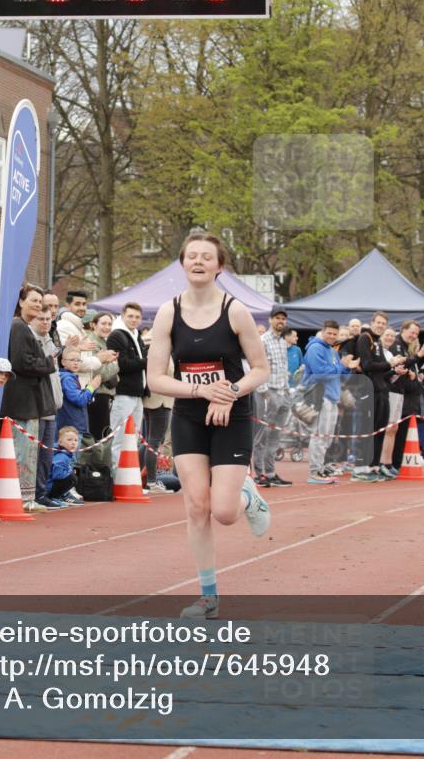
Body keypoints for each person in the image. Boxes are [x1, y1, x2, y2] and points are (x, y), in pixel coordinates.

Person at [147, 232, 270, 620]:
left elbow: (261, 370)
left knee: (224, 513)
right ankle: (208, 596)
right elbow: (156, 379)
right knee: (196, 506)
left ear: (219, 266)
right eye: (192, 256)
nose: (198, 262)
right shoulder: (169, 312)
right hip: (189, 414)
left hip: (231, 415)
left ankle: (246, 496)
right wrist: (203, 393)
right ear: (182, 263)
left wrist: (228, 392)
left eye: (207, 257)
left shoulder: (236, 311)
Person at [0, 284, 57, 512]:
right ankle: (22, 497)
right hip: (22, 401)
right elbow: (22, 362)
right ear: (21, 301)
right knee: (23, 451)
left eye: (39, 300)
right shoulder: (18, 327)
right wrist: (49, 364)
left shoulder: (21, 327)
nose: (37, 304)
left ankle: (26, 496)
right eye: (33, 300)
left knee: (29, 451)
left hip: (29, 401)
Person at [302, 320, 359, 484]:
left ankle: (321, 467)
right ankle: (314, 471)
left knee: (327, 437)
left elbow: (341, 376)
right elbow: (321, 373)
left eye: (335, 334)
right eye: (330, 333)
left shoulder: (333, 351)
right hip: (320, 397)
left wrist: (348, 367)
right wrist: (341, 366)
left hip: (332, 397)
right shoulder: (315, 348)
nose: (332, 336)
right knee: (319, 435)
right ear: (323, 331)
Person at [353, 311, 406, 481]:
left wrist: (393, 369)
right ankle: (360, 469)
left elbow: (381, 370)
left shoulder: (377, 342)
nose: (381, 326)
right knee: (368, 430)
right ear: (372, 322)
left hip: (382, 390)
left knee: (380, 430)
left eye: (384, 323)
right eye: (379, 322)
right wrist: (389, 363)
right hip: (368, 391)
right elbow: (367, 365)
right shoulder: (365, 338)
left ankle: (373, 466)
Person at [384, 322, 424, 477]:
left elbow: (407, 366)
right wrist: (417, 357)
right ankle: (388, 463)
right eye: (411, 332)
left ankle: (393, 464)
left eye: (416, 334)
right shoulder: (397, 345)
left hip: (403, 394)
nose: (413, 336)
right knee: (393, 431)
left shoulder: (404, 346)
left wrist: (413, 373)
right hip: (395, 394)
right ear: (403, 330)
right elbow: (400, 366)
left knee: (398, 431)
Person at [29, 306, 66, 510]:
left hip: (52, 404)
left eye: (48, 319)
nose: (45, 322)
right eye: (40, 319)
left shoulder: (50, 341)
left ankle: (41, 492)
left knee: (47, 453)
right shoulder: (31, 340)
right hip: (38, 405)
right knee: (36, 450)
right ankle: (32, 492)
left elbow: (55, 375)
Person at [253, 305, 293, 487]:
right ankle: (259, 472)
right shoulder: (262, 340)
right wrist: (265, 393)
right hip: (267, 393)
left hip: (282, 393)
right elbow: (258, 367)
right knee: (262, 434)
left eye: (283, 318)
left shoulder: (283, 342)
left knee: (275, 436)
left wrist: (287, 391)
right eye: (277, 318)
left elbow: (283, 369)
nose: (280, 321)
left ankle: (270, 472)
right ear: (270, 319)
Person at [107, 302, 148, 471]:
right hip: (122, 393)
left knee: (133, 438)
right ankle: (116, 476)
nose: (134, 320)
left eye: (137, 317)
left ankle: (129, 477)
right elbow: (122, 364)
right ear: (123, 316)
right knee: (119, 437)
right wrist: (146, 362)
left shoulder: (136, 335)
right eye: (130, 316)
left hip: (138, 393)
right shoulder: (117, 335)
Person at [141, 329, 173, 493]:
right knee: (154, 441)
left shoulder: (151, 348)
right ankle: (152, 482)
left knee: (149, 440)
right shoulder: (159, 351)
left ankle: (144, 478)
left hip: (155, 399)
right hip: (159, 400)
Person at [56, 347, 101, 446]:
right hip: (71, 428)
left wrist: (91, 388)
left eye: (78, 360)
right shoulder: (67, 378)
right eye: (72, 360)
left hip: (74, 426)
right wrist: (91, 388)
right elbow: (79, 400)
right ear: (63, 362)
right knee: (71, 459)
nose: (76, 363)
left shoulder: (70, 377)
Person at [85, 311, 119, 441]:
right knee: (97, 435)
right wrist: (115, 364)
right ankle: (94, 461)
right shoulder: (92, 343)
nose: (107, 327)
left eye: (109, 324)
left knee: (104, 434)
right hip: (96, 394)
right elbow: (100, 373)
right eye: (103, 323)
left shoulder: (104, 343)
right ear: (93, 325)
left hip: (105, 394)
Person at [46, 426, 85, 505]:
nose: (73, 443)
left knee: (72, 476)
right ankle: (53, 497)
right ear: (60, 442)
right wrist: (70, 471)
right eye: (69, 440)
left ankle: (59, 496)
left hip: (50, 485)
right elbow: (57, 475)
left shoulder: (66, 454)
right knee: (72, 478)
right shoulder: (62, 456)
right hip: (48, 487)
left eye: (76, 440)